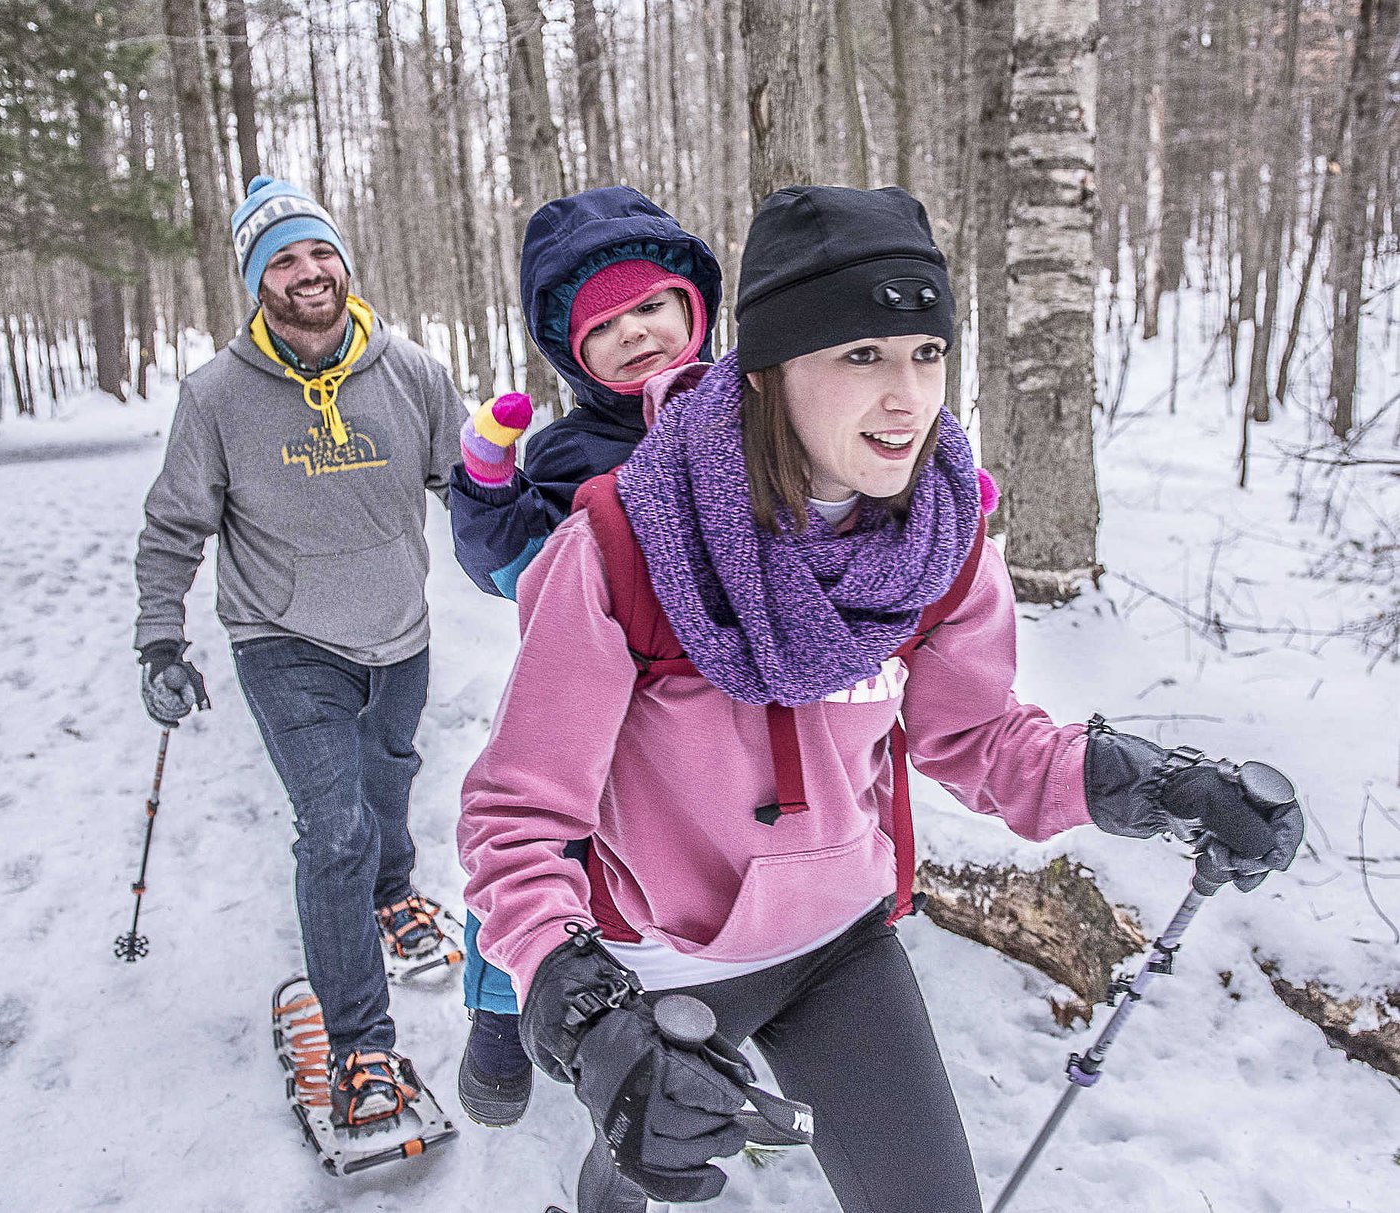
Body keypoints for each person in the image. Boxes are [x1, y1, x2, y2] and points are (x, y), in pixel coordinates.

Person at [456, 185, 1304, 1213]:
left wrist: (1161, 786)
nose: (907, 397)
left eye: (926, 352)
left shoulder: (934, 540)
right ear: (766, 372)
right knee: (643, 1159)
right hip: (660, 960)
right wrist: (587, 1015)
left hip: (840, 943)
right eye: (861, 354)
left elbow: (982, 739)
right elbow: (516, 818)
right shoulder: (626, 544)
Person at [134, 175, 468, 1134]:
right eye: (282, 258)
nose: (307, 270)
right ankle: (365, 1048)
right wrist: (162, 636)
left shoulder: (412, 371)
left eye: (318, 251)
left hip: (399, 631)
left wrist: (540, 561)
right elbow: (172, 529)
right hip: (282, 639)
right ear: (256, 280)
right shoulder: (216, 396)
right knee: (333, 832)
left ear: (343, 262)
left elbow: (471, 492)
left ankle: (395, 895)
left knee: (390, 779)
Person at [448, 185, 722, 1128]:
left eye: (652, 305)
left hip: (715, 701)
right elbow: (508, 565)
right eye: (606, 326)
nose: (637, 332)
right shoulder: (570, 451)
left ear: (693, 306)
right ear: (574, 352)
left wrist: (916, 513)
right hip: (589, 702)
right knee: (540, 842)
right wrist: (487, 488)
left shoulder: (755, 414)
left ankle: (713, 1035)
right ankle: (497, 1016)